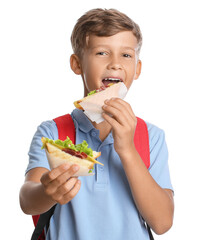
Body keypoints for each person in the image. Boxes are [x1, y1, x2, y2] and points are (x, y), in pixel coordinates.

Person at [19, 8, 174, 240]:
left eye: (126, 55)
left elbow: (162, 223)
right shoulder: (53, 131)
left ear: (138, 69)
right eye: (102, 53)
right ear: (77, 64)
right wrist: (47, 191)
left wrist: (128, 150)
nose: (115, 64)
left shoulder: (151, 136)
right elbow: (27, 201)